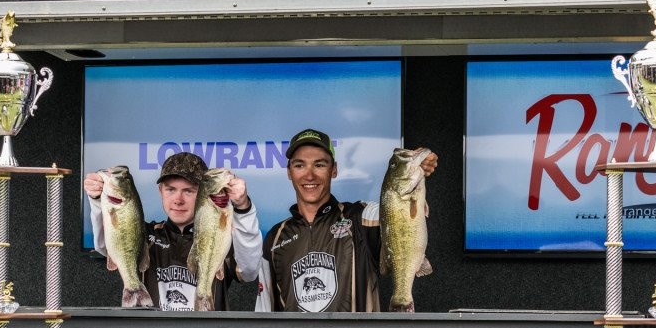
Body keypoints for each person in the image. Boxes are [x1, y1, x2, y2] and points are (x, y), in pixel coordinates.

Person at [256, 128, 437, 312]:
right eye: (299, 165)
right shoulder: (275, 238)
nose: (309, 175)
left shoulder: (361, 217)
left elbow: (399, 213)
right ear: (289, 172)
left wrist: (418, 166)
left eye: (319, 165)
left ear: (334, 170)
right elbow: (263, 313)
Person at [84, 152, 262, 310]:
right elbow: (104, 246)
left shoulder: (222, 237)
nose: (178, 199)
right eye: (171, 189)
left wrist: (243, 208)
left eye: (188, 191)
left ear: (203, 194)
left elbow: (249, 270)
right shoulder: (146, 235)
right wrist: (98, 200)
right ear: (160, 191)